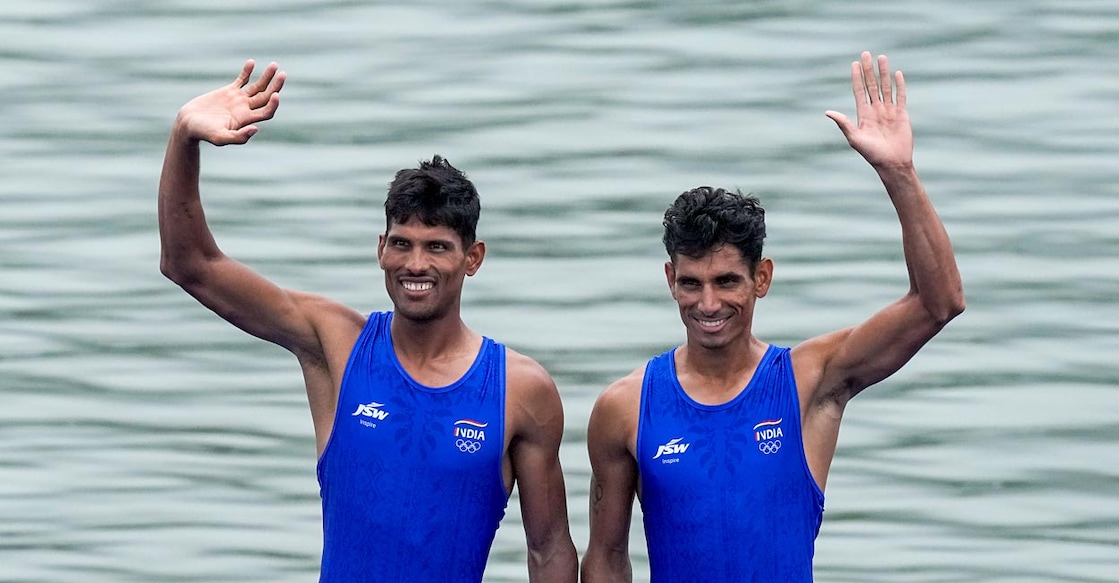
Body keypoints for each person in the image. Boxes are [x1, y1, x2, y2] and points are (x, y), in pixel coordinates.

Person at [158, 60, 578, 583]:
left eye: (438, 248)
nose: (416, 265)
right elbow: (190, 265)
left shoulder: (519, 389)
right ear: (381, 249)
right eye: (401, 244)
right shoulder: (336, 343)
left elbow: (550, 550)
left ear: (473, 258)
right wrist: (184, 137)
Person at [580, 51, 966, 582]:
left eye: (727, 282)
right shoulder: (624, 407)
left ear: (762, 278)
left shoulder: (811, 380)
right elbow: (605, 557)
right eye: (691, 284)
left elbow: (937, 303)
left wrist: (897, 172)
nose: (708, 304)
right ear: (670, 280)